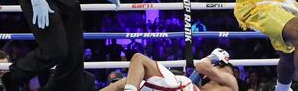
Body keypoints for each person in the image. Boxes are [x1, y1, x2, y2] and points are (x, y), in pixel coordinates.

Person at [100, 48, 238, 91]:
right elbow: (197, 75)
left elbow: (201, 65)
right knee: (125, 82)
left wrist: (213, 57)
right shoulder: (209, 82)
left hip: (180, 85)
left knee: (138, 59)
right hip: (180, 85)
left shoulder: (230, 80)